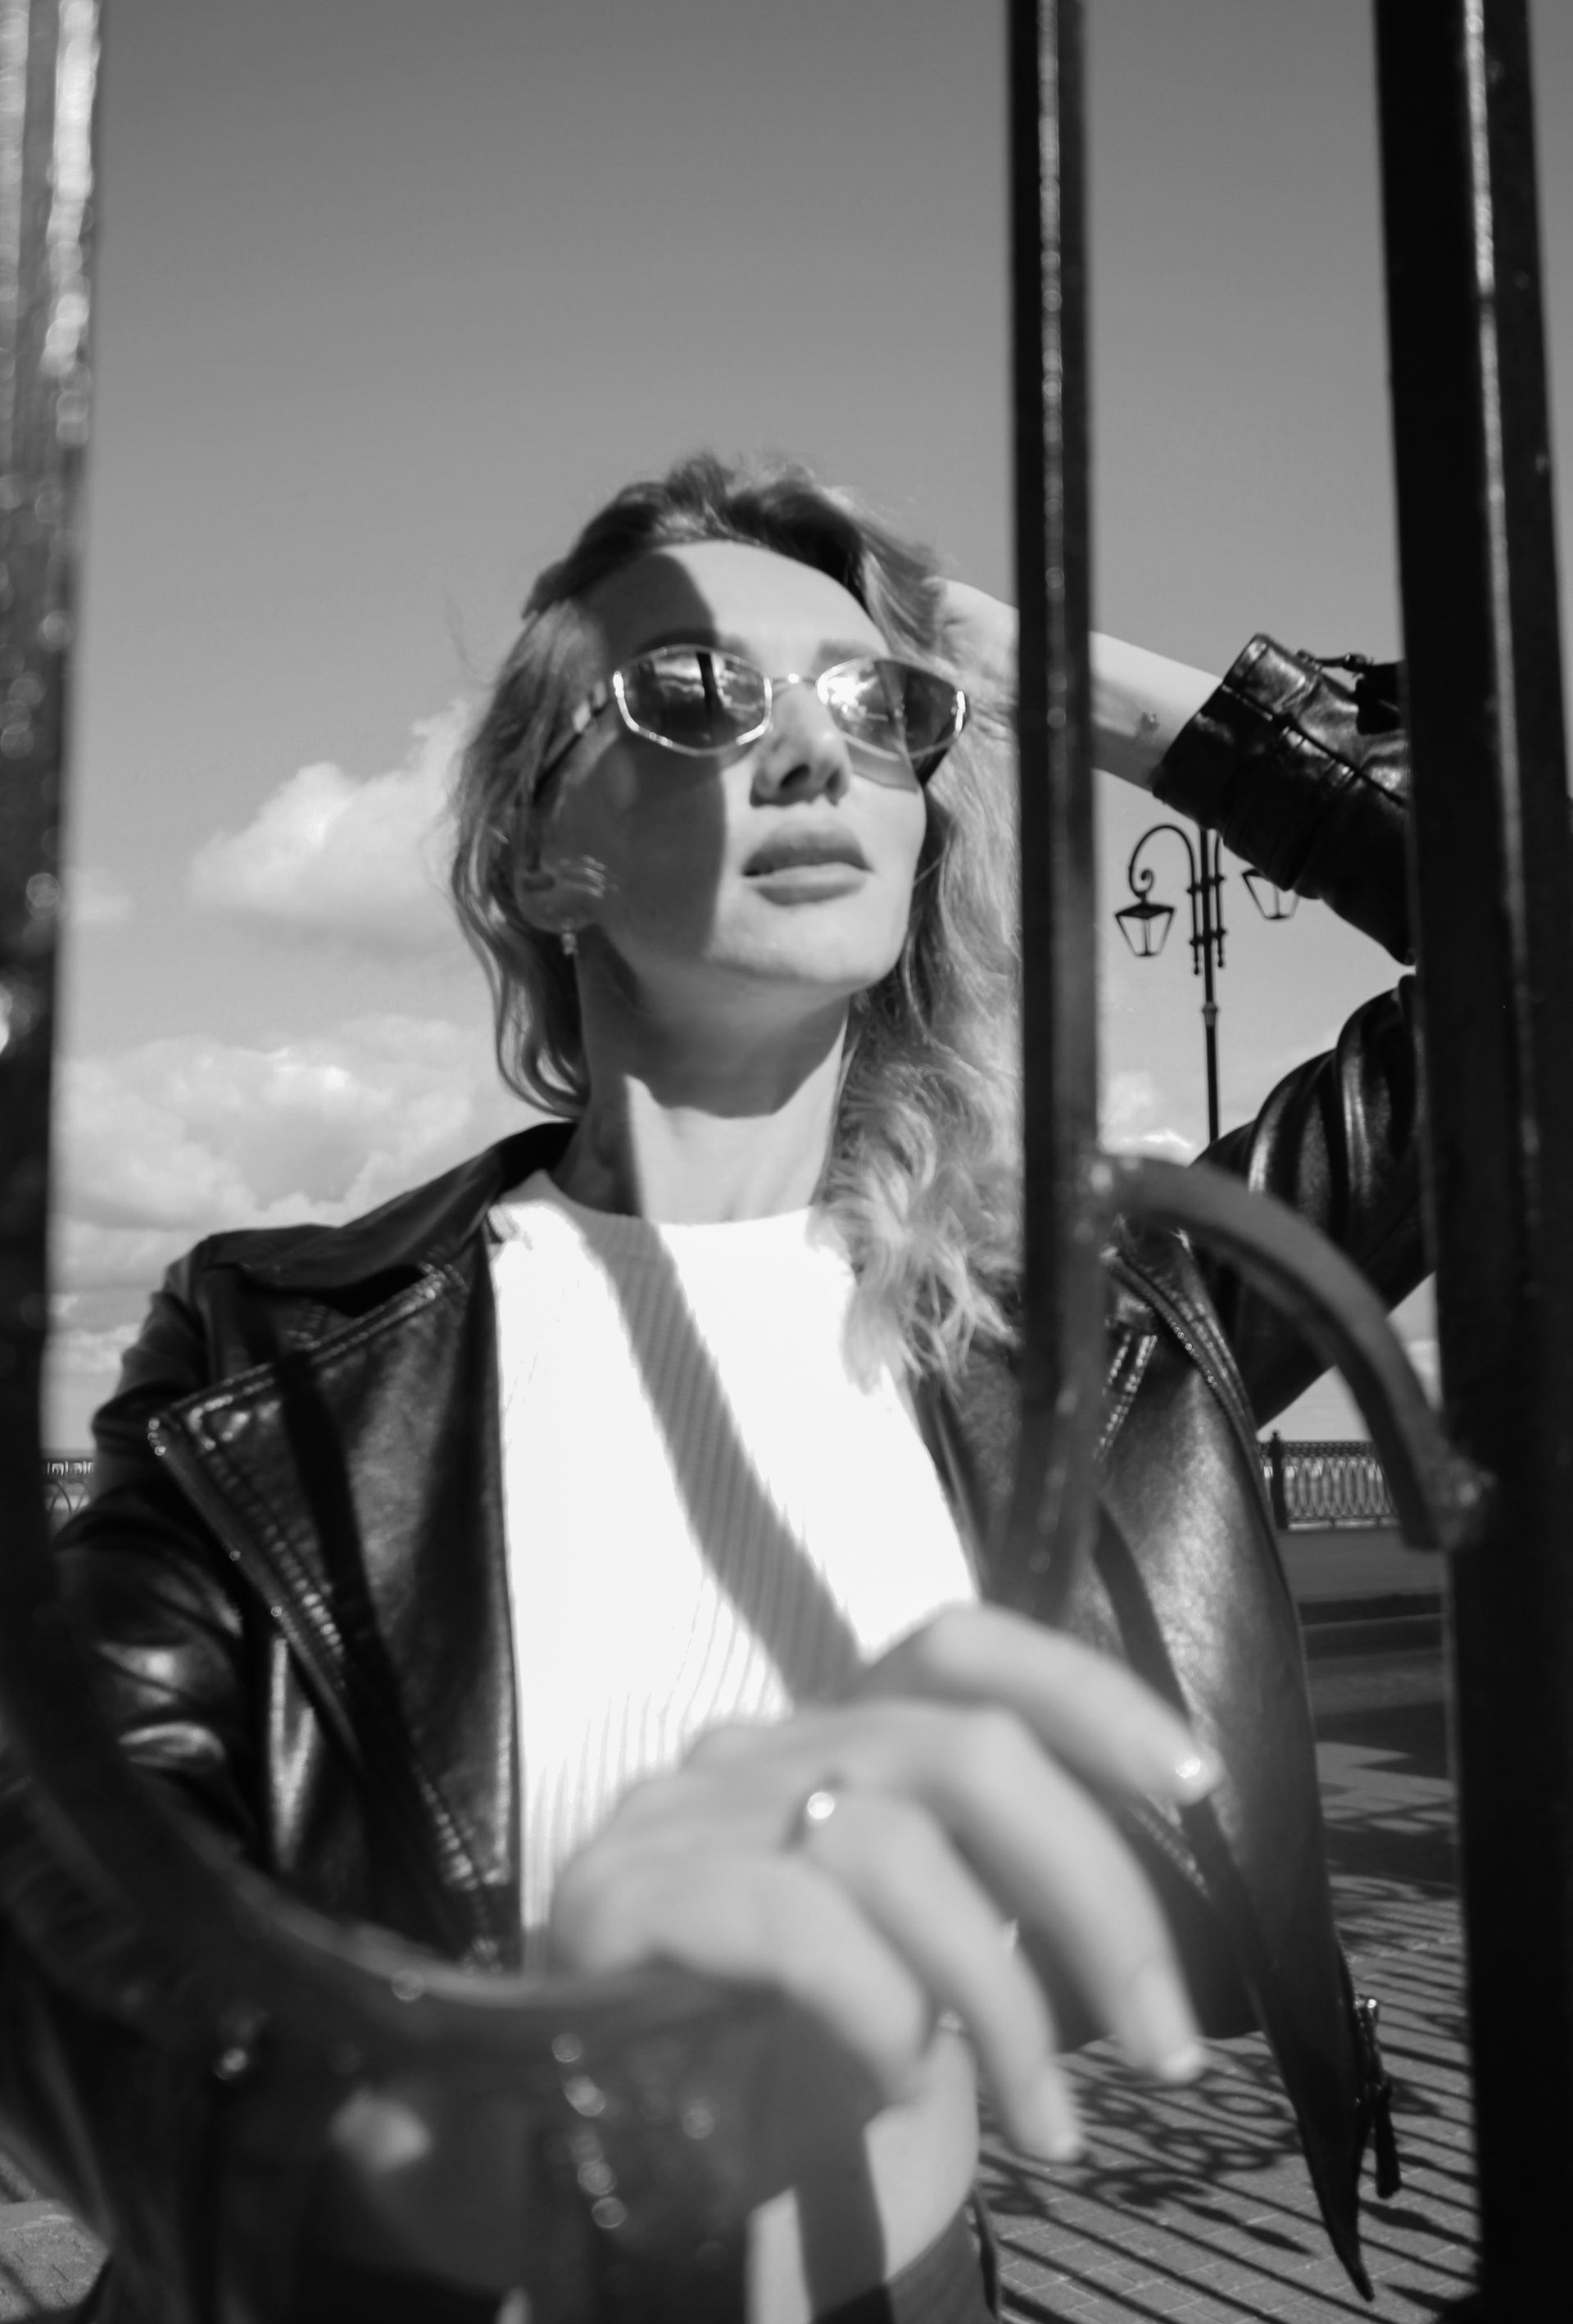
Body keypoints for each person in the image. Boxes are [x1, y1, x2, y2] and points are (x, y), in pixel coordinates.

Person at [0, 453, 1420, 2324]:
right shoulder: (279, 1349)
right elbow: (66, 1898)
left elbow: (1530, 957)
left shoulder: (1099, 1326)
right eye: (694, 693)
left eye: (879, 710)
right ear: (540, 852)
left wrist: (1047, 668)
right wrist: (492, 2107)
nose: (815, 750)